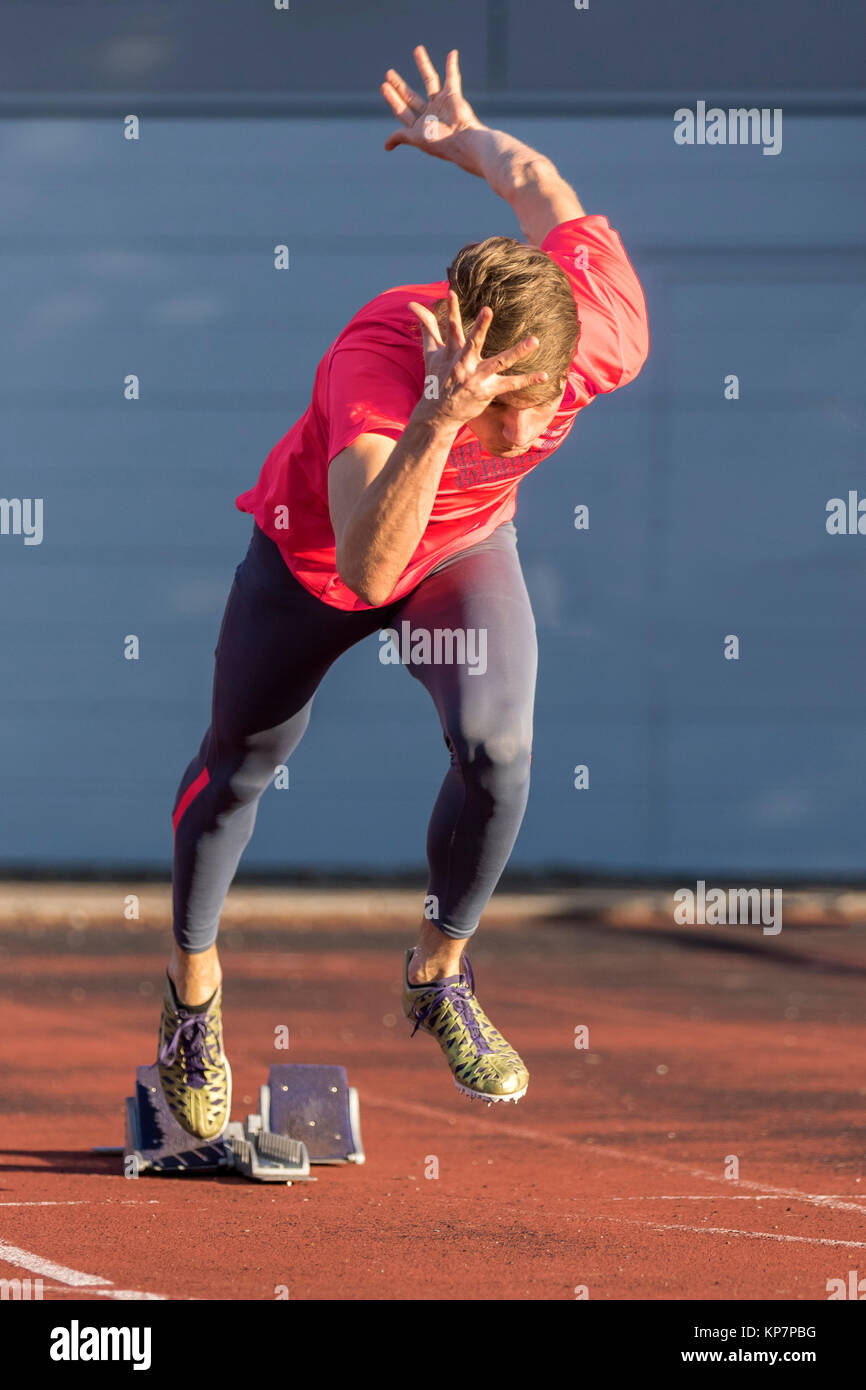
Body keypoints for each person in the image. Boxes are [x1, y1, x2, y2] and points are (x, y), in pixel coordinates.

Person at [156, 46, 649, 1136]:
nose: (522, 434)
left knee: (499, 750)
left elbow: (542, 190)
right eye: (496, 410)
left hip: (461, 550)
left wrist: (459, 139)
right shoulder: (375, 366)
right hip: (322, 559)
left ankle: (438, 973)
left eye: (539, 406)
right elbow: (372, 567)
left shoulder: (601, 326)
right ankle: (194, 996)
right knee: (238, 766)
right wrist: (437, 417)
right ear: (450, 355)